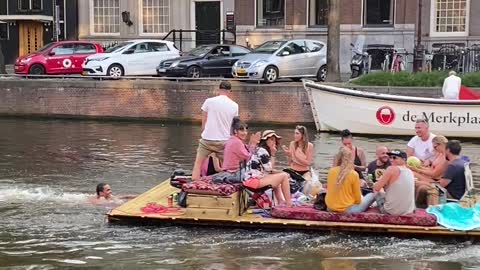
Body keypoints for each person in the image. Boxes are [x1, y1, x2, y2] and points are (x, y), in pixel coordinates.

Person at [191, 81, 239, 181]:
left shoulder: (209, 101)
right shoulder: (234, 105)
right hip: (224, 140)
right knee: (227, 167)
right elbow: (235, 125)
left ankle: (193, 184)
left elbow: (204, 120)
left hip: (207, 139)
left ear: (219, 89)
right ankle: (226, 186)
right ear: (230, 91)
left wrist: (204, 132)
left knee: (198, 163)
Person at [244, 130, 292, 207]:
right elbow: (269, 169)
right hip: (253, 181)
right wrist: (273, 154)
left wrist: (281, 172)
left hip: (250, 179)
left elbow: (269, 170)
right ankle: (289, 204)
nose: (274, 142)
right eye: (271, 139)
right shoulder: (263, 152)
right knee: (284, 176)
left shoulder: (259, 150)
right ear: (265, 141)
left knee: (280, 177)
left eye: (275, 140)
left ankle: (280, 202)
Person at [416, 140, 467, 207]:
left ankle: (423, 210)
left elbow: (440, 186)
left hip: (451, 196)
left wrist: (422, 182)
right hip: (459, 194)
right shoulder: (462, 162)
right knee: (422, 186)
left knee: (422, 188)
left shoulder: (453, 166)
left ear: (448, 150)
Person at [326, 147, 376, 213]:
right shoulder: (353, 174)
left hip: (330, 207)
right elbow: (358, 200)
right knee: (372, 195)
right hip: (347, 210)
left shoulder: (331, 171)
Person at [373, 149, 415, 215]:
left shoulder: (391, 169)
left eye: (395, 158)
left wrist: (380, 180)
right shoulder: (410, 171)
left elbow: (376, 188)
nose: (391, 160)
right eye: (390, 157)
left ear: (404, 160)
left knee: (377, 189)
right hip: (408, 211)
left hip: (391, 212)